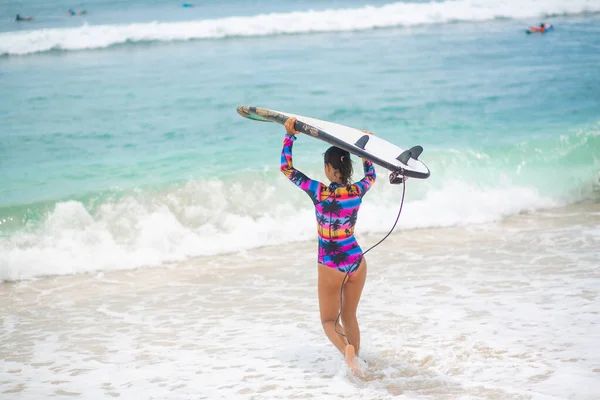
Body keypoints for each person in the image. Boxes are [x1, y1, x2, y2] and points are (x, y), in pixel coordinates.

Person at [280, 117, 376, 375]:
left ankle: (347, 351)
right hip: (357, 261)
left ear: (328, 168)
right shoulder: (358, 191)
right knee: (349, 317)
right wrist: (365, 151)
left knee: (328, 320)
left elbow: (287, 169)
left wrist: (290, 136)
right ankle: (359, 364)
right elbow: (372, 175)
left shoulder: (319, 192)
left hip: (331, 264)